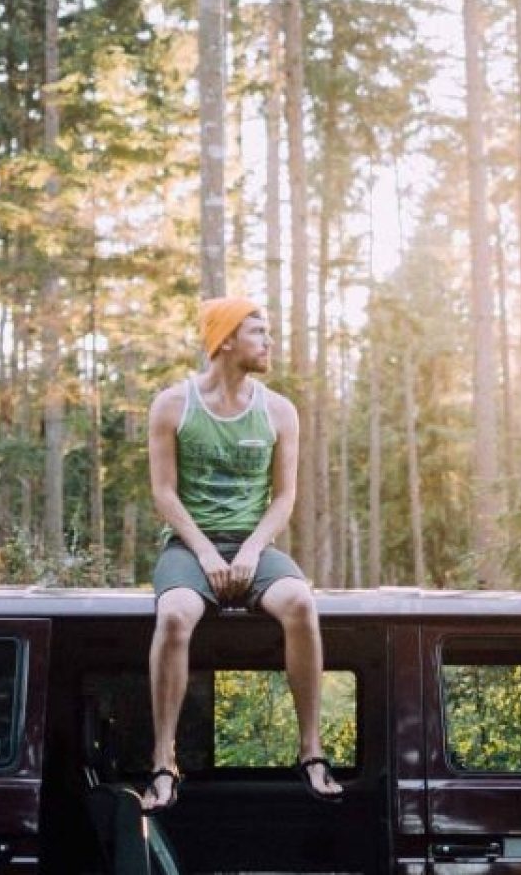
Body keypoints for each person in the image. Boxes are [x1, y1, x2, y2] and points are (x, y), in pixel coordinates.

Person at [138, 295, 343, 811]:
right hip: (190, 547)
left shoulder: (278, 411)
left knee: (300, 602)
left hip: (255, 548)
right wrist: (205, 553)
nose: (269, 342)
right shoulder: (172, 404)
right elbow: (164, 493)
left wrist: (251, 549)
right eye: (258, 332)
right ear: (225, 340)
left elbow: (284, 497)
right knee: (176, 614)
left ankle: (311, 752)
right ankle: (164, 761)